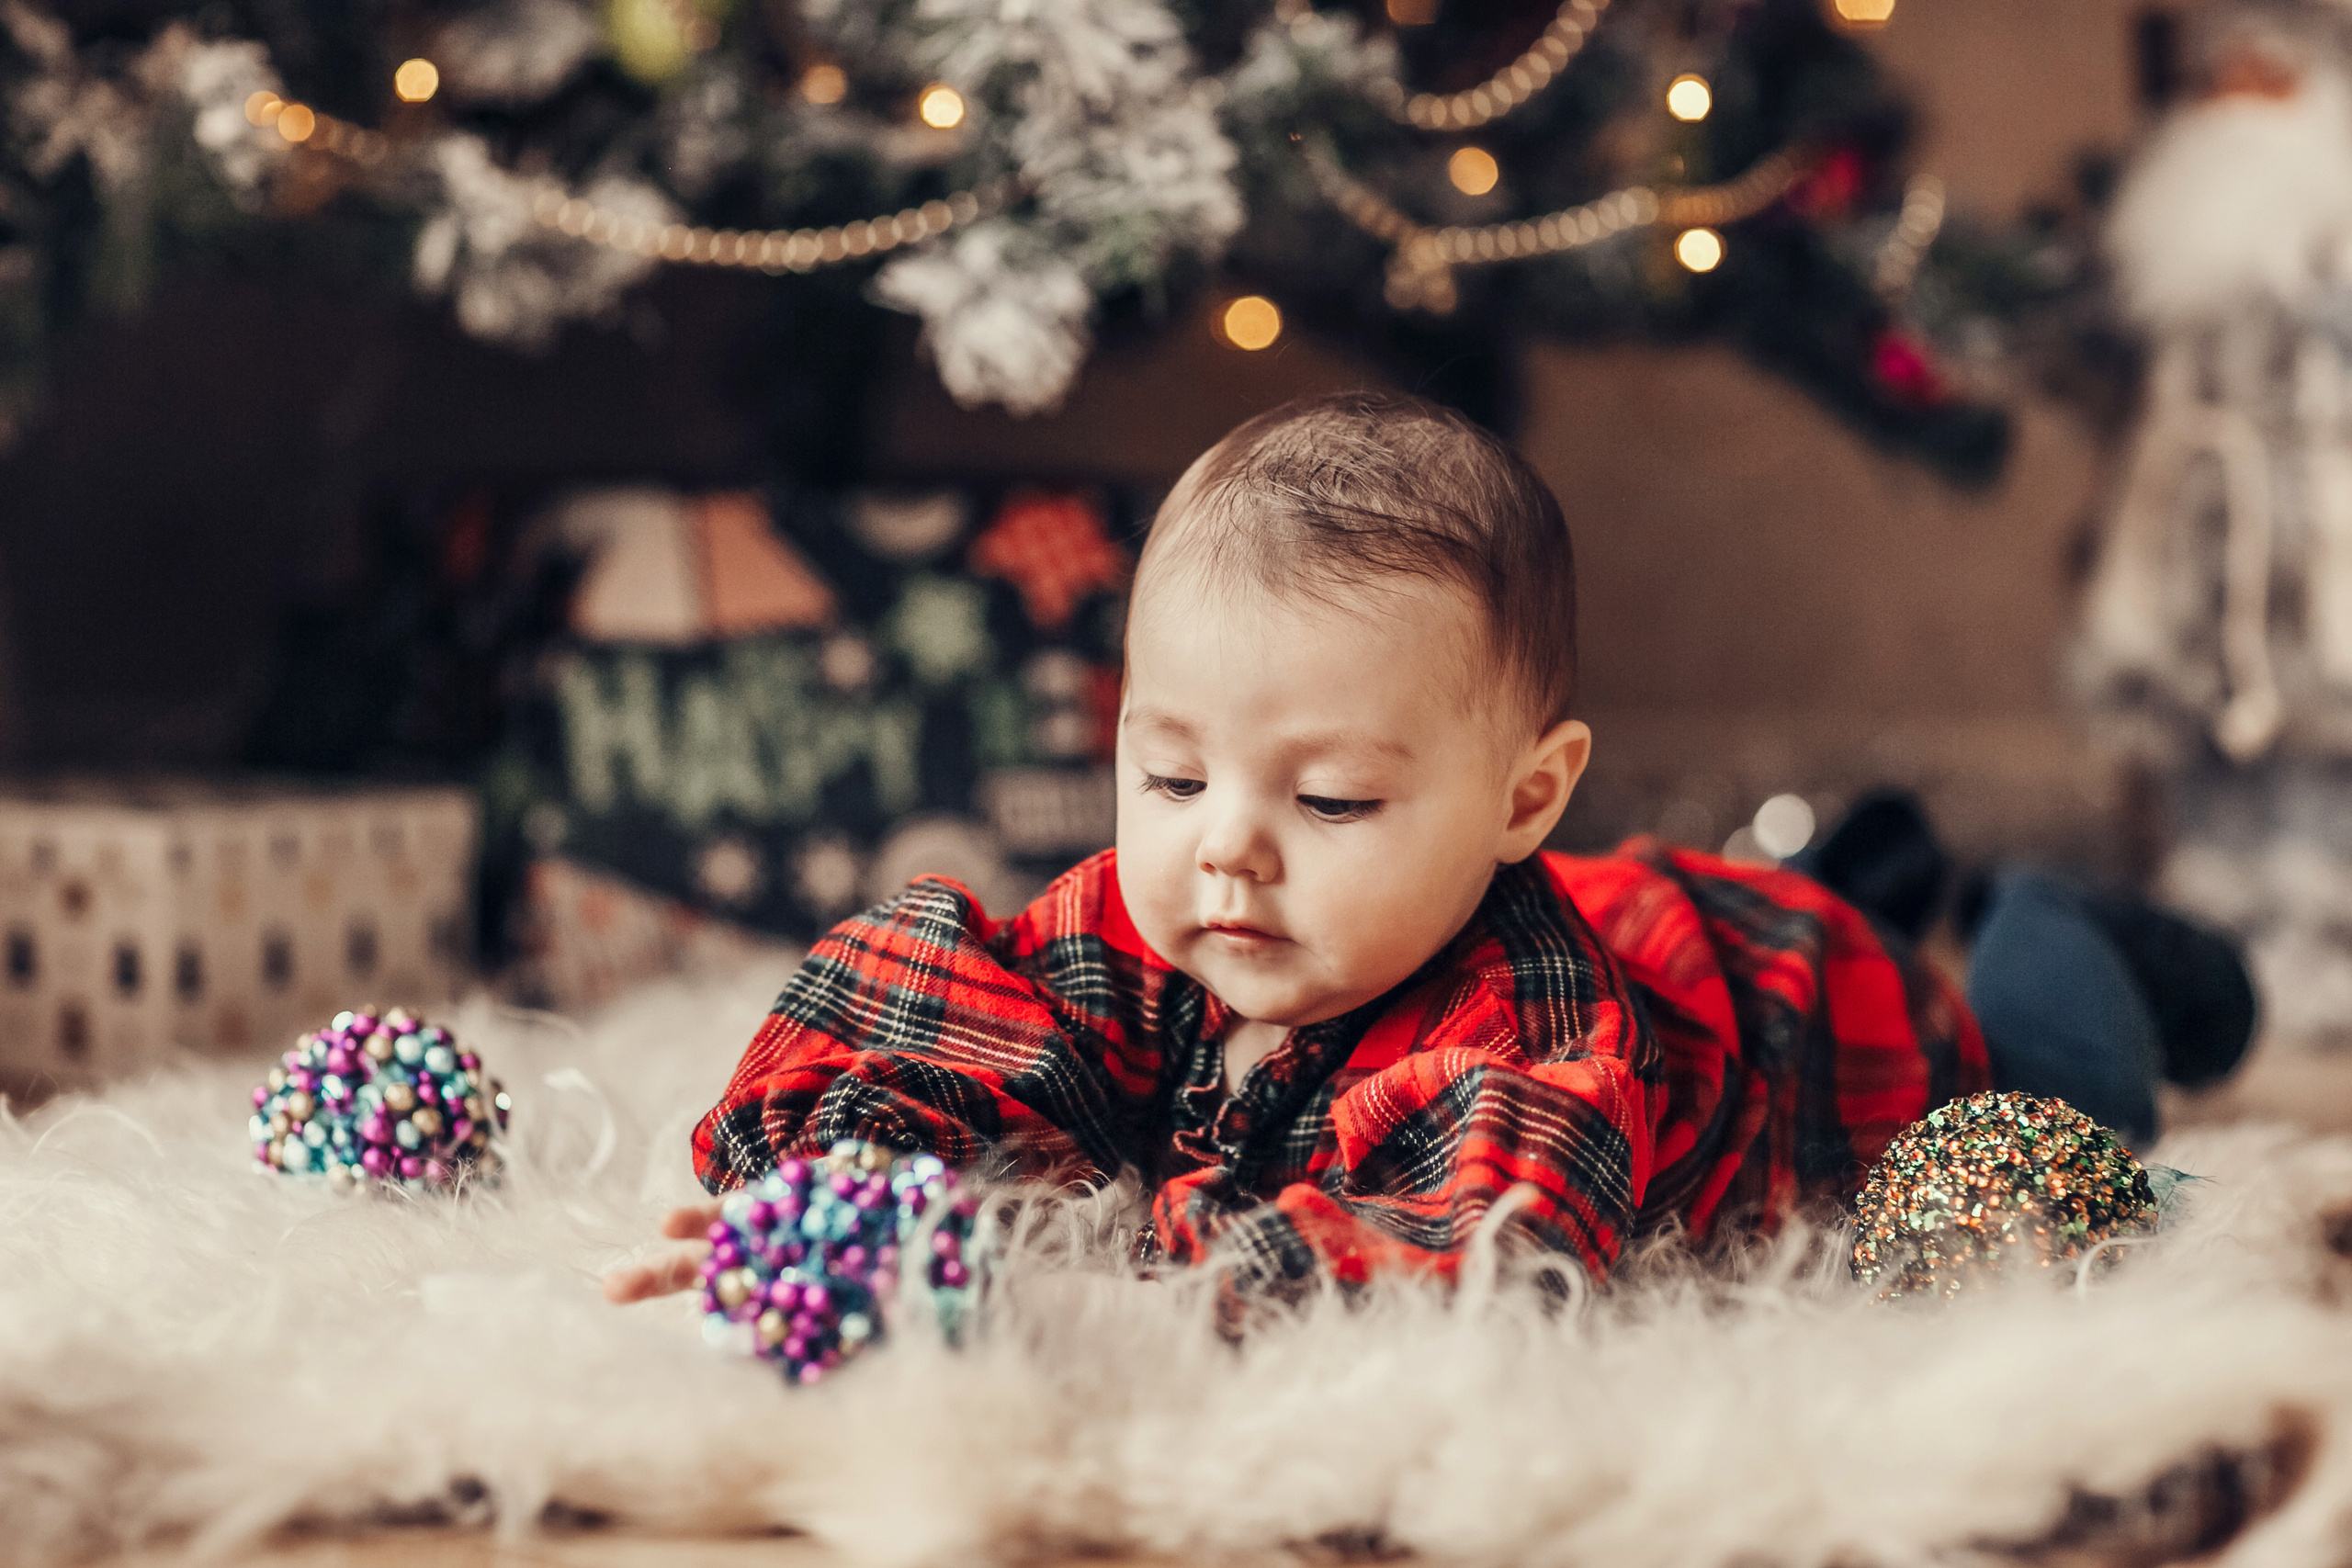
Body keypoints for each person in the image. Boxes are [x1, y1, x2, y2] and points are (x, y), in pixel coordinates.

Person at [603, 390, 2179, 1306]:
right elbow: (948, 1022)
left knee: (2065, 1067)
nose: (1227, 852)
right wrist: (844, 1202)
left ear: (1524, 794)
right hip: (1637, 902)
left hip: (1813, 1004)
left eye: (1331, 802)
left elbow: (1458, 1254)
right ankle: (1880, 861)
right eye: (1166, 776)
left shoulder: (1535, 1037)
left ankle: (2070, 926)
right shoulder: (1153, 926)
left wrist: (1152, 1306)